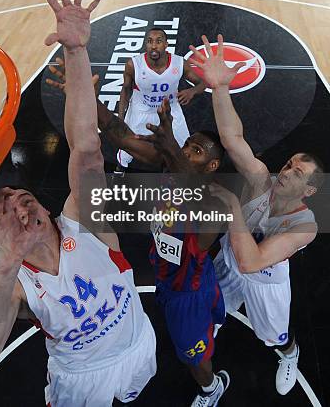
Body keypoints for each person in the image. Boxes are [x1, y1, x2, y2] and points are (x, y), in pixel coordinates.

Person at [0, 0, 157, 406]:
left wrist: (76, 51)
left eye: (17, 192)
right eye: (2, 206)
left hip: (140, 341)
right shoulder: (14, 284)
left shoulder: (85, 221)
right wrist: (8, 265)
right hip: (82, 379)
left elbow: (87, 146)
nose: (16, 197)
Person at [48, 64, 230, 406]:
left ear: (212, 167)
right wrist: (83, 97)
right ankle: (212, 325)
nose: (186, 150)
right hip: (166, 272)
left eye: (196, 151)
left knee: (193, 358)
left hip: (187, 291)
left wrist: (173, 151)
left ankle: (211, 387)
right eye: (186, 145)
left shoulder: (217, 205)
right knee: (202, 321)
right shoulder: (169, 164)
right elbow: (117, 131)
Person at [189, 34, 323, 395]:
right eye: (289, 163)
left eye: (298, 173)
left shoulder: (305, 226)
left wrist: (232, 207)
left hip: (265, 281)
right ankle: (214, 323)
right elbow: (233, 139)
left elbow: (254, 262)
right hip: (232, 262)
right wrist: (219, 89)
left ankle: (289, 353)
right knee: (208, 311)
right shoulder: (262, 179)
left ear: (309, 191)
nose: (286, 170)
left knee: (273, 336)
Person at [115, 27, 206, 174]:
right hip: (142, 110)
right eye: (150, 41)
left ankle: (172, 174)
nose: (154, 45)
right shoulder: (134, 65)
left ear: (166, 44)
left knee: (183, 147)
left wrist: (192, 91)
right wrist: (120, 117)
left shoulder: (179, 63)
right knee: (127, 146)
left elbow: (202, 83)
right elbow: (126, 89)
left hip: (170, 110)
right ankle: (120, 169)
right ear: (146, 44)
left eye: (158, 41)